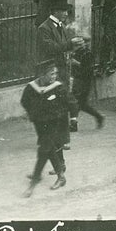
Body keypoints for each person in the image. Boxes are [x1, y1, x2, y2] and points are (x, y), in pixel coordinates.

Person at [21, 61, 72, 196]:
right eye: (51, 73)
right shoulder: (32, 87)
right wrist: (32, 112)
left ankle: (33, 184)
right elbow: (24, 101)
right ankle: (61, 176)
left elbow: (69, 102)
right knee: (48, 149)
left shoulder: (58, 87)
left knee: (44, 149)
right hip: (39, 123)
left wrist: (68, 117)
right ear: (42, 75)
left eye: (55, 73)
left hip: (54, 123)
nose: (54, 76)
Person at [69, 37, 105, 131]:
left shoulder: (88, 54)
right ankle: (98, 116)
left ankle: (73, 124)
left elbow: (89, 69)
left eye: (80, 44)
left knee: (76, 102)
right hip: (78, 80)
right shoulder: (76, 53)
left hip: (84, 82)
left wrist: (77, 63)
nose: (77, 46)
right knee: (82, 104)